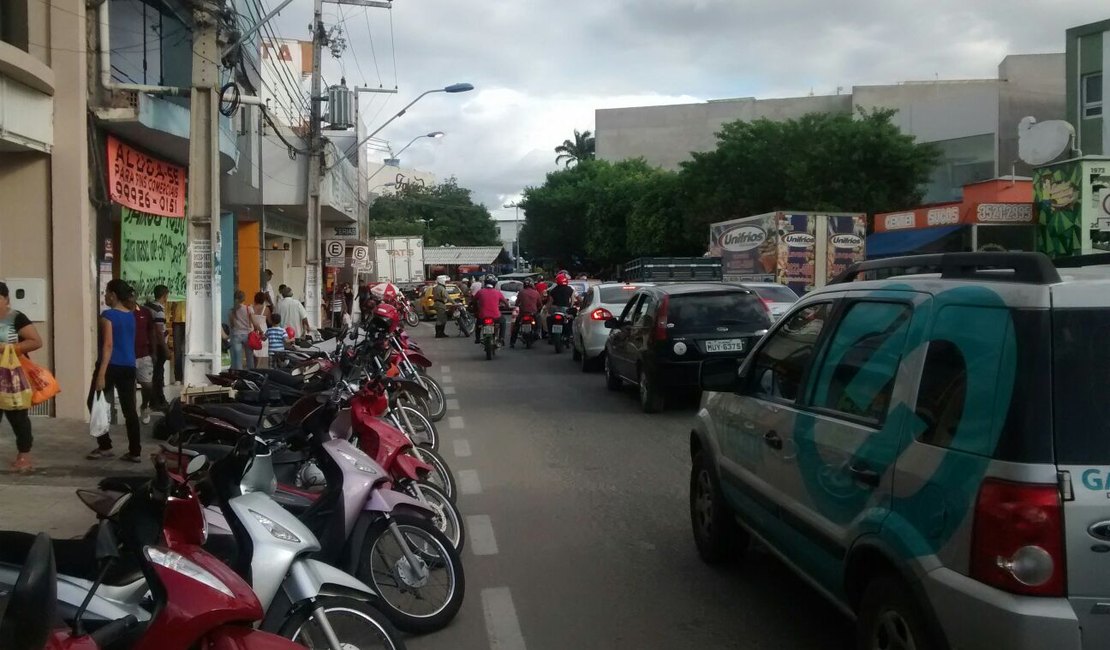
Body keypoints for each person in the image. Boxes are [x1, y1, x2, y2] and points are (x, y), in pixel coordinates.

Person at [88, 279, 141, 462]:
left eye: (106, 293)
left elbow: (108, 345)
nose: (105, 296)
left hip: (111, 365)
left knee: (94, 402)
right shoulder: (131, 315)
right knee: (130, 410)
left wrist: (101, 373)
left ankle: (105, 445)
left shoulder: (108, 315)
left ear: (113, 295)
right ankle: (135, 451)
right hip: (129, 366)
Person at [0, 281, 42, 471]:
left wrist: (9, 348)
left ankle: (24, 454)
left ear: (6, 299)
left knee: (17, 416)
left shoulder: (16, 318)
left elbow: (35, 341)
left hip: (12, 376)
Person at [130, 295, 157, 424]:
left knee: (147, 385)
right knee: (130, 387)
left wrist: (154, 351)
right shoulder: (123, 313)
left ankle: (144, 405)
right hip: (128, 357)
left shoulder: (145, 312)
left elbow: (151, 331)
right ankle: (132, 415)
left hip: (144, 355)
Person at [144, 285, 170, 410]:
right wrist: (165, 348)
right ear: (164, 296)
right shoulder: (159, 311)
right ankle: (157, 401)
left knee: (155, 373)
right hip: (158, 346)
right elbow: (159, 332)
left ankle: (154, 399)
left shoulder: (147, 307)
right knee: (158, 374)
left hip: (149, 344)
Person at [472, 276, 509, 346]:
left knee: (478, 324)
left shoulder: (480, 292)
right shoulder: (498, 292)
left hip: (483, 316)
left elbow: (473, 301)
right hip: (496, 317)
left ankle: (477, 338)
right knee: (503, 321)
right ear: (494, 284)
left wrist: (475, 309)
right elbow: (506, 303)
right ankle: (501, 338)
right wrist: (506, 307)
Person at [510, 278, 542, 349]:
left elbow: (517, 303)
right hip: (533, 313)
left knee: (516, 327)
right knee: (539, 321)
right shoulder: (536, 292)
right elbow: (540, 304)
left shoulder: (521, 292)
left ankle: (512, 342)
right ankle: (538, 332)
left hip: (523, 313)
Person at [228, 290, 254, 370]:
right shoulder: (248, 309)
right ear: (244, 299)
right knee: (249, 357)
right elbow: (252, 322)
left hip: (236, 334)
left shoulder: (231, 311)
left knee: (238, 359)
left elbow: (232, 325)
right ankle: (251, 373)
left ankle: (239, 375)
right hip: (247, 334)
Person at [250, 292, 270, 368]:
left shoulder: (251, 308)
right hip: (263, 330)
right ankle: (260, 368)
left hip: (253, 330)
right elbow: (270, 321)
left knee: (252, 350)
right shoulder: (266, 309)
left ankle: (254, 367)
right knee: (262, 350)